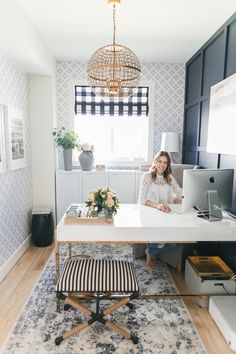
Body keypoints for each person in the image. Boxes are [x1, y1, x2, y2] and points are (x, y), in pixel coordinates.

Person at [138, 151, 182, 268]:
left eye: (165, 162)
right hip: (150, 212)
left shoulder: (170, 178)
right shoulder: (147, 177)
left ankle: (150, 252)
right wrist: (158, 206)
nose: (162, 165)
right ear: (155, 162)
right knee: (160, 240)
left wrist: (180, 198)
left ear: (168, 165)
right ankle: (151, 252)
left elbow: (180, 192)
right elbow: (142, 200)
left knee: (172, 244)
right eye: (160, 161)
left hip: (167, 213)